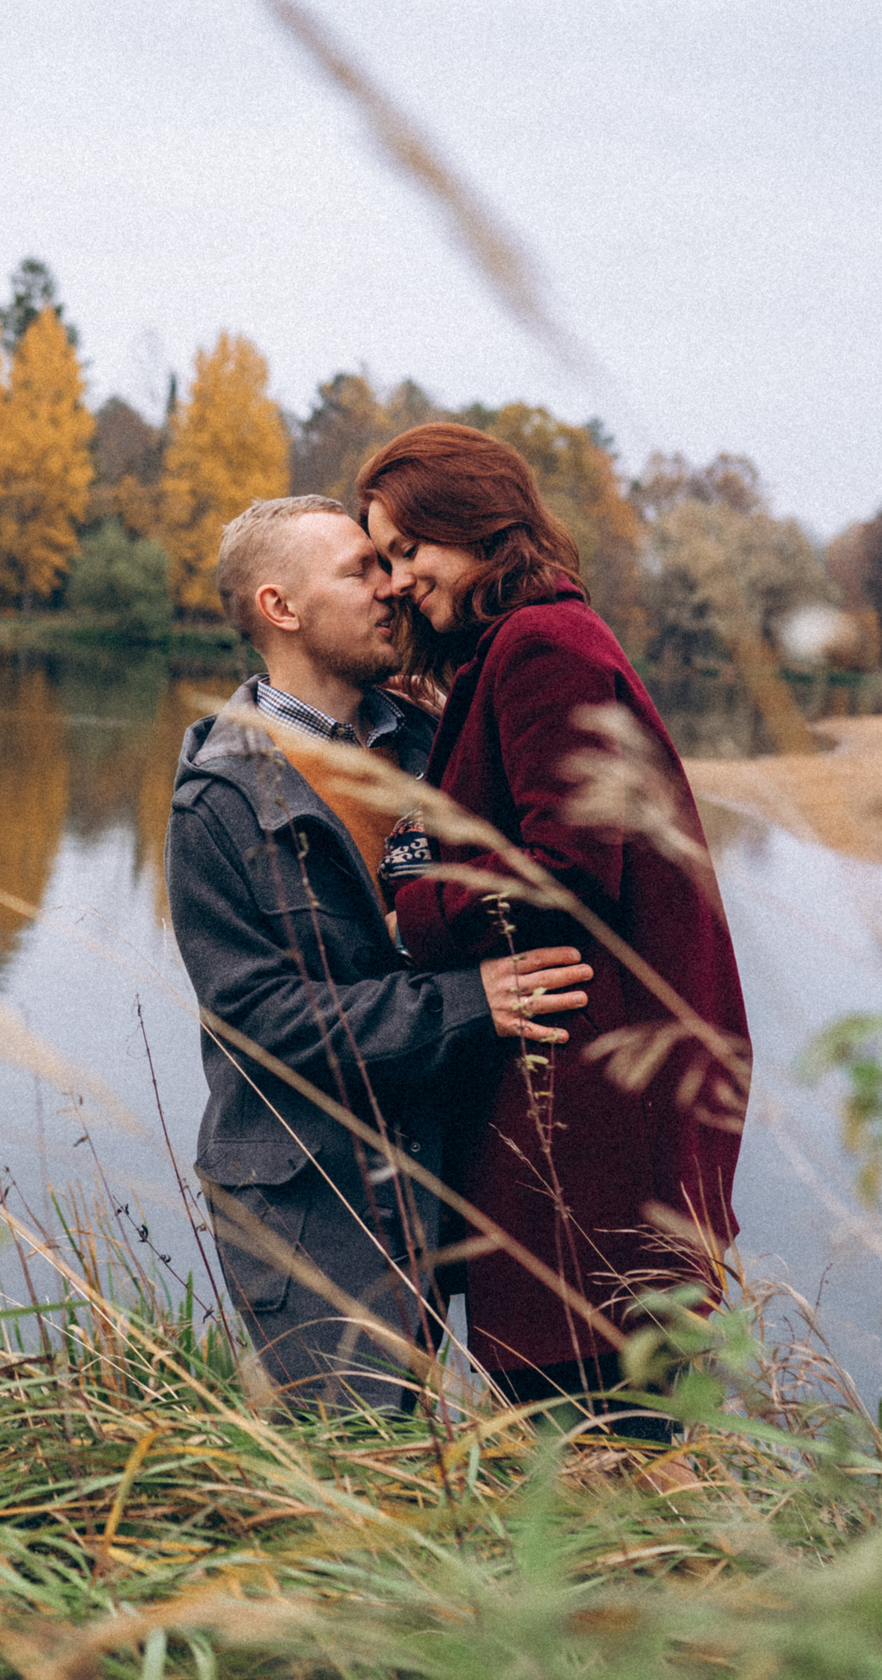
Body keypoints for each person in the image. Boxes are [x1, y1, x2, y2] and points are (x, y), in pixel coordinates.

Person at [357, 423, 751, 1437]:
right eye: (384, 560)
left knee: (597, 1424)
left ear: (478, 525)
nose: (397, 581)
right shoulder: (518, 647)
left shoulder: (544, 646)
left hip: (594, 1108)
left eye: (410, 549)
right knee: (599, 1431)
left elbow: (571, 863)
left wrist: (416, 906)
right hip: (584, 1089)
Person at [166, 494, 594, 1410]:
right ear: (282, 607)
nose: (391, 587)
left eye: (390, 565)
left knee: (490, 1452)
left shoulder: (434, 742)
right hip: (308, 1198)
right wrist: (474, 1001)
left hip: (449, 1170)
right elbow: (264, 1019)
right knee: (346, 1460)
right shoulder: (218, 801)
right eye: (359, 570)